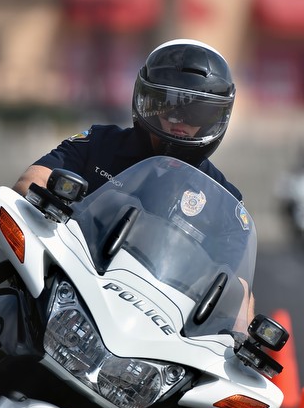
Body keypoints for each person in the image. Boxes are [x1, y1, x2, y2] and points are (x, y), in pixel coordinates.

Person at [15, 38, 255, 327]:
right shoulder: (100, 143)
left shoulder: (223, 200)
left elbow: (238, 295)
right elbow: (31, 181)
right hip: (67, 286)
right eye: (169, 105)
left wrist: (239, 334)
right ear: (147, 101)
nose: (179, 120)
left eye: (196, 113)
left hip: (154, 328)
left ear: (216, 117)